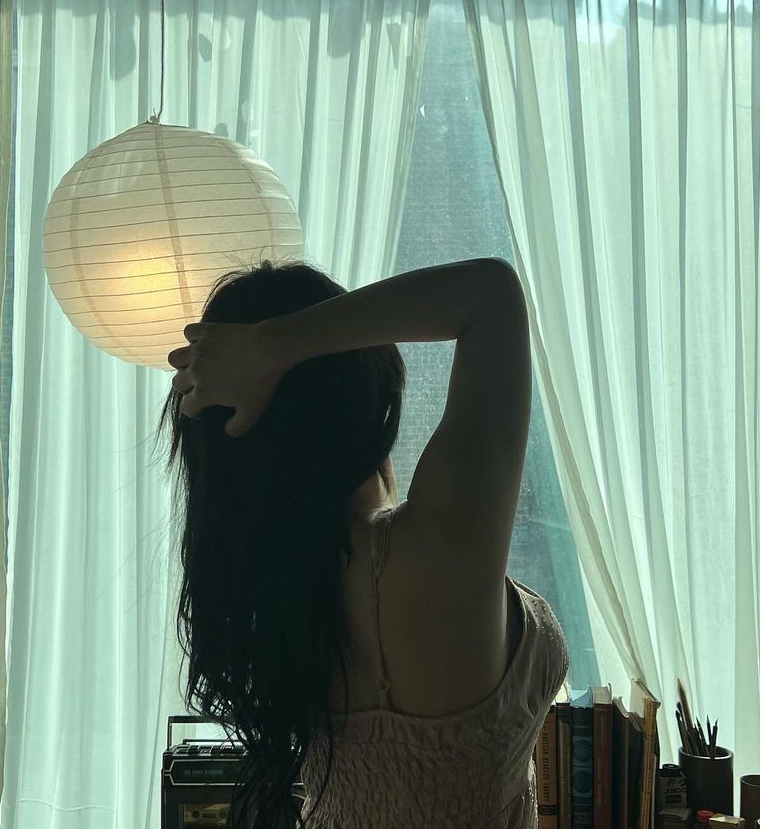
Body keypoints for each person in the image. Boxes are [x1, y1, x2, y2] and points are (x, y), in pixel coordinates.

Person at [160, 256, 570, 829]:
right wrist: (274, 344)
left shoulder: (273, 585)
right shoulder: (432, 552)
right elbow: (491, 294)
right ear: (361, 384)